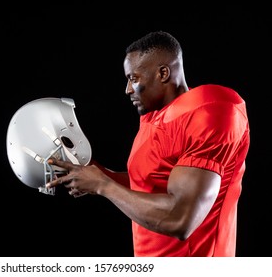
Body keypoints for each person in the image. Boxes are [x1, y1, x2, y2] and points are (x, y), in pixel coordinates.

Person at [46, 31, 250, 257]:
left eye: (134, 79)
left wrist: (103, 185)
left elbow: (181, 220)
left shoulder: (211, 113)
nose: (128, 89)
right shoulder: (154, 116)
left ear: (163, 73)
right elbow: (148, 182)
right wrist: (95, 173)